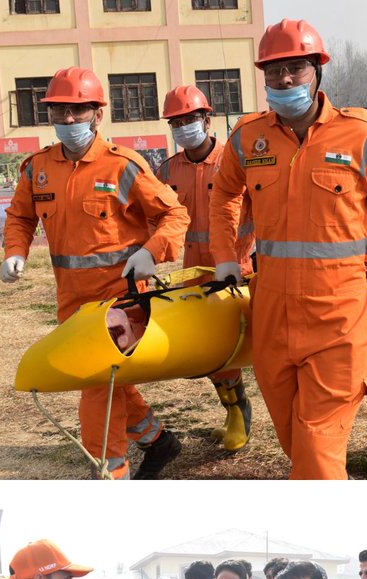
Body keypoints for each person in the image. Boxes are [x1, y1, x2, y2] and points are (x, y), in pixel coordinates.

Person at [209, 19, 367, 480]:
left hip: (338, 316)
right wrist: (226, 255)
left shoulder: (363, 135)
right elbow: (224, 194)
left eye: (296, 69)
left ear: (318, 71)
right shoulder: (248, 138)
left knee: (318, 452)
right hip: (271, 316)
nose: (284, 80)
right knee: (293, 438)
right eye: (274, 71)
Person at [1, 68, 189, 479]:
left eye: (77, 110)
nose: (68, 120)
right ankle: (158, 441)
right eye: (60, 111)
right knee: (110, 383)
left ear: (97, 114)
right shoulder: (38, 168)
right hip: (72, 300)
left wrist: (151, 251)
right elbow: (19, 215)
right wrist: (15, 251)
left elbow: (174, 213)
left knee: (95, 382)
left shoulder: (123, 166)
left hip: (120, 298)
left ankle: (108, 474)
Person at [156, 84, 256, 452]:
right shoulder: (167, 170)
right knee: (211, 353)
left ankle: (246, 413)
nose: (183, 127)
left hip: (236, 270)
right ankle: (235, 411)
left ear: (207, 120)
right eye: (176, 121)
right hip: (194, 276)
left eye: (190, 119)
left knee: (242, 349)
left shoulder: (234, 161)